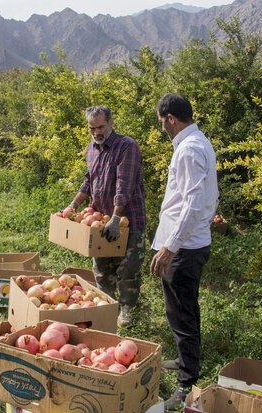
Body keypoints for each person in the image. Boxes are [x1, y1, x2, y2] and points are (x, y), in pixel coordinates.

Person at [149, 93, 219, 410]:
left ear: (171, 119)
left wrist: (169, 248)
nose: (162, 127)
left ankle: (187, 382)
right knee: (184, 309)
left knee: (181, 314)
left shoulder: (189, 149)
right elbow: (207, 196)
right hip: (190, 242)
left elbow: (191, 204)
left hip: (185, 248)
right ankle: (184, 360)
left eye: (161, 121)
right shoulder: (197, 142)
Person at [67, 105, 146, 327]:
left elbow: (124, 186)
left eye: (100, 127)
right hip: (101, 221)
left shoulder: (126, 147)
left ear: (111, 122)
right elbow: (89, 181)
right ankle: (107, 307)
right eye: (91, 128)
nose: (96, 132)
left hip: (128, 220)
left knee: (128, 269)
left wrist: (115, 219)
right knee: (102, 270)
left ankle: (127, 309)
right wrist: (73, 205)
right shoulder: (91, 149)